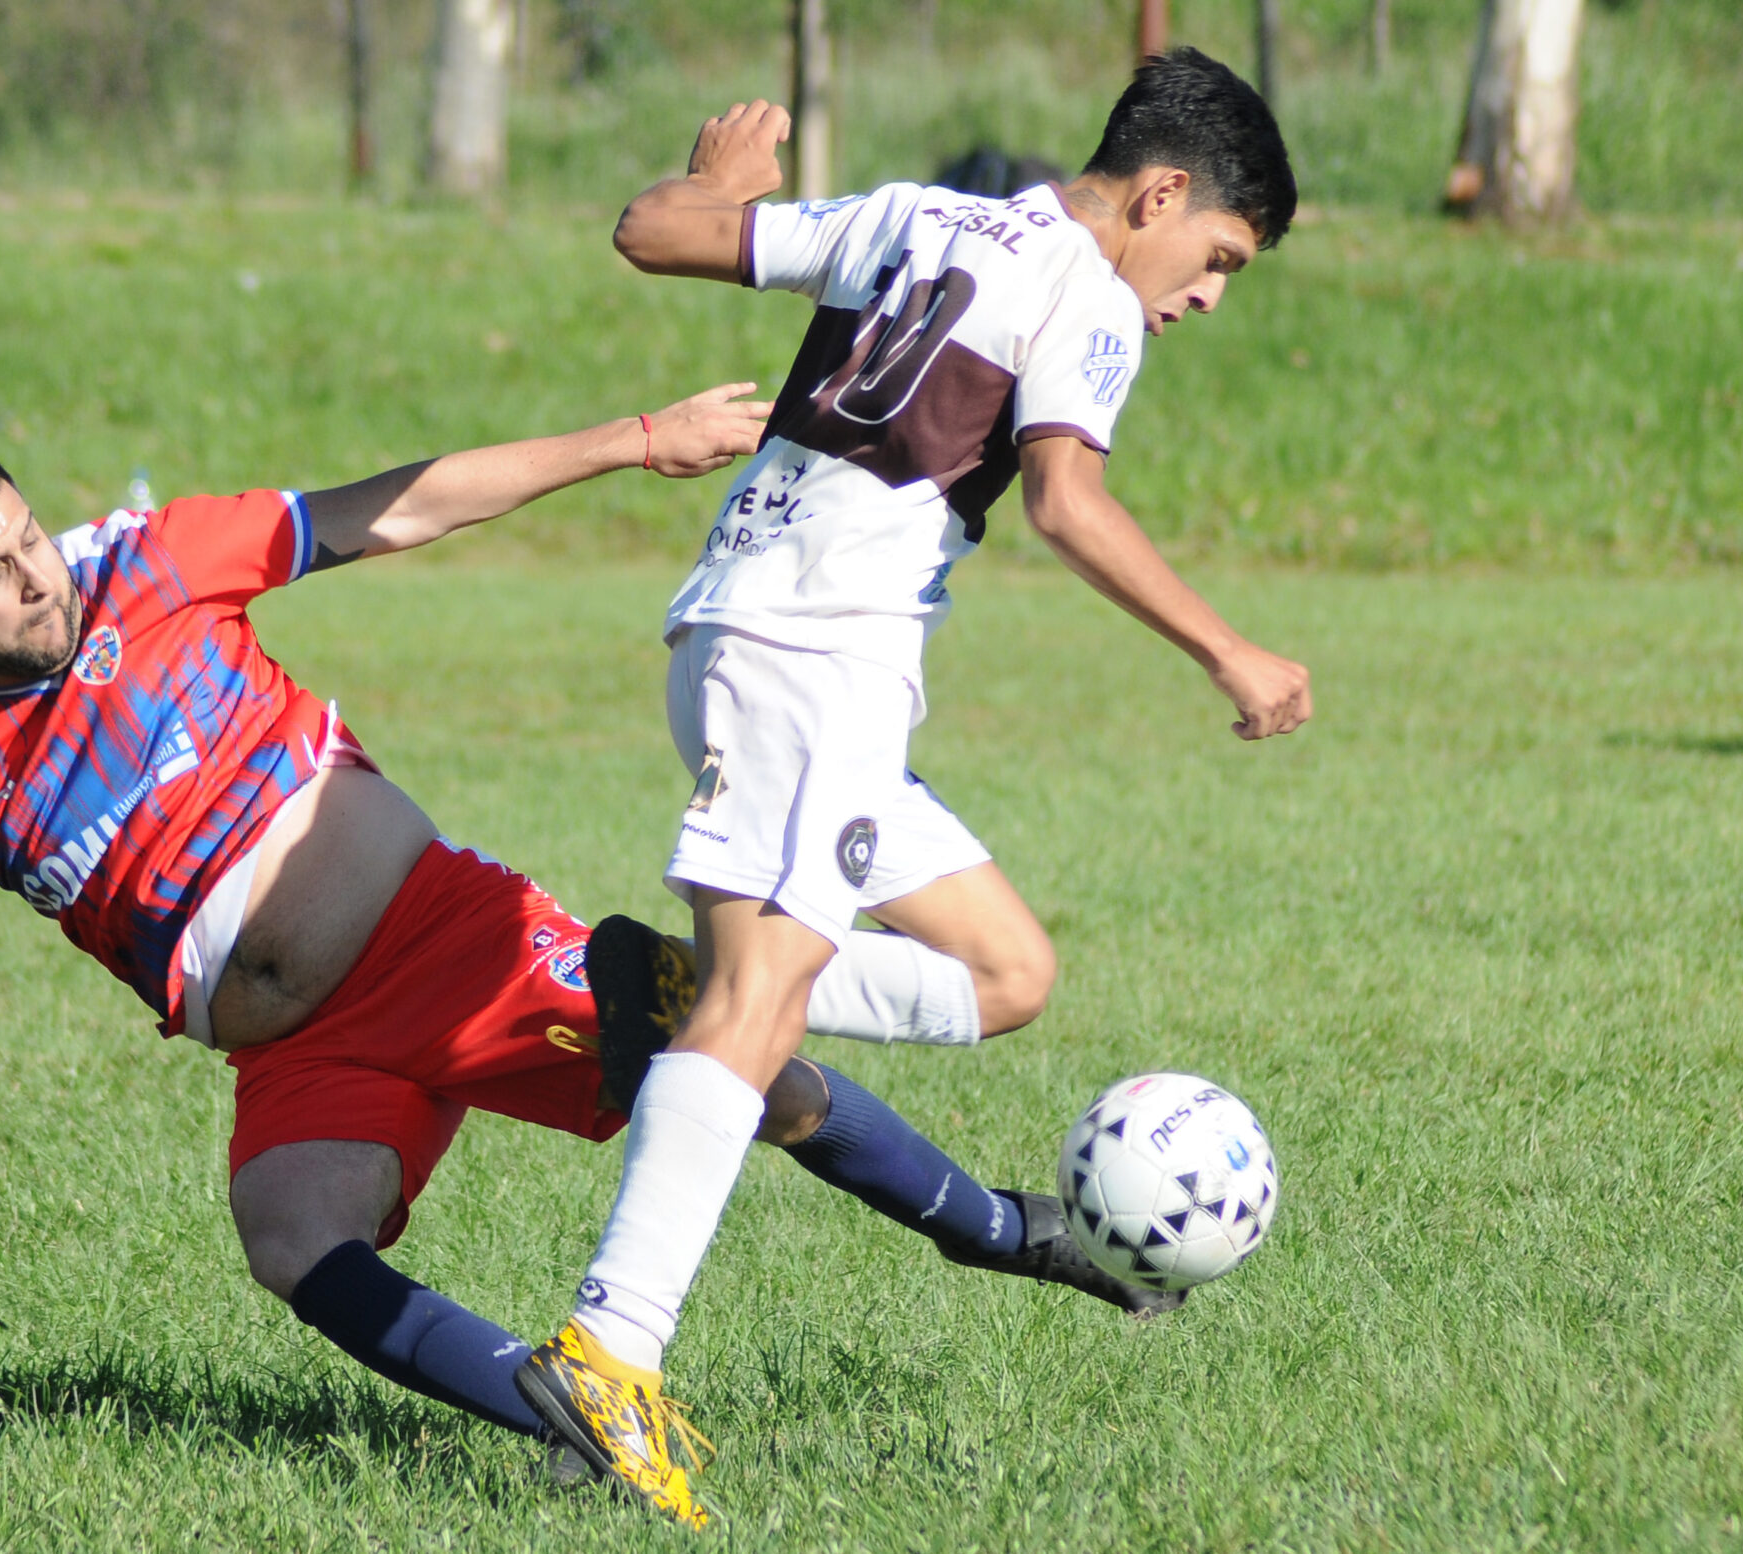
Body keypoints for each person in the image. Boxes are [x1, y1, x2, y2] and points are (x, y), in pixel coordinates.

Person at [0, 390, 1165, 1514]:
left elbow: (399, 505)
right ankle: (579, 1421)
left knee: (745, 1071)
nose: (37, 579)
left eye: (27, 538)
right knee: (289, 1237)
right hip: (296, 1051)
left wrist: (634, 439)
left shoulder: (149, 560)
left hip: (444, 943)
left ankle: (1005, 1231)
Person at [514, 49, 1316, 1524]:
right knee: (761, 1004)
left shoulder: (913, 213)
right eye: (1219, 257)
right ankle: (608, 1352)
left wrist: (717, 184)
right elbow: (1066, 499)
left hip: (740, 640)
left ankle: (692, 999)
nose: (1208, 295)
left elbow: (654, 231)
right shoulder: (1086, 295)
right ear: (1159, 196)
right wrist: (1230, 648)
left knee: (1005, 972)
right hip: (816, 658)